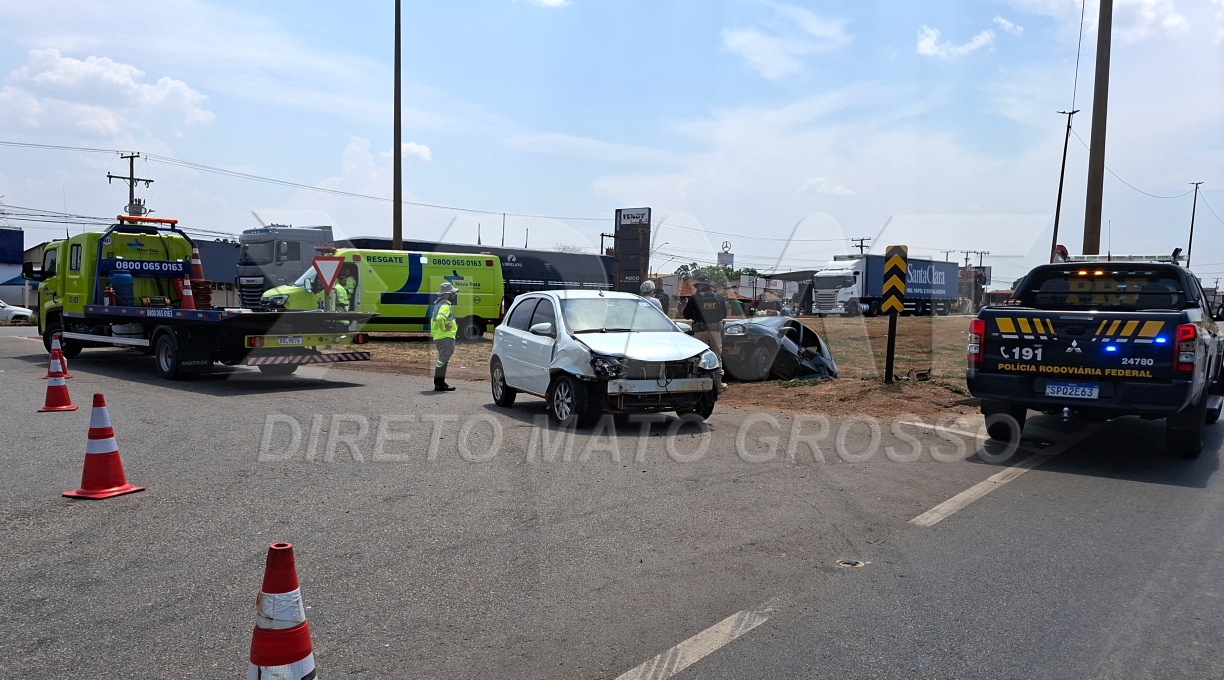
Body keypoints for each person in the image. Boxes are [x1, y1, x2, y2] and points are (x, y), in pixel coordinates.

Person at [682, 275, 728, 386]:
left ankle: (703, 383)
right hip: (715, 331)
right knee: (717, 356)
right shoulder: (719, 297)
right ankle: (718, 384)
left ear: (700, 285)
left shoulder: (694, 298)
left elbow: (686, 315)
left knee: (701, 357)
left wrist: (696, 314)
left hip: (700, 332)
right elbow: (724, 315)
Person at [431, 282, 459, 391]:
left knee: (443, 359)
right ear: (448, 294)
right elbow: (439, 318)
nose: (454, 295)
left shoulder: (438, 305)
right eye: (453, 293)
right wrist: (443, 328)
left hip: (440, 337)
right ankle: (439, 383)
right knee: (443, 359)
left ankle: (440, 382)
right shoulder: (445, 306)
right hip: (445, 337)